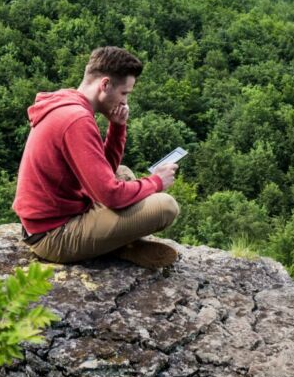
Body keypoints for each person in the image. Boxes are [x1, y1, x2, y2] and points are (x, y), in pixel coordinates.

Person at [12, 46, 182, 269]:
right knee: (166, 207)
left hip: (57, 215)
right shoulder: (77, 120)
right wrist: (157, 182)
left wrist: (117, 127)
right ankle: (117, 245)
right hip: (52, 235)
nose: (124, 102)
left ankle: (112, 242)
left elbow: (103, 171)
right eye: (124, 93)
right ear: (104, 85)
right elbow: (110, 195)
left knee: (123, 172)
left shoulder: (67, 102)